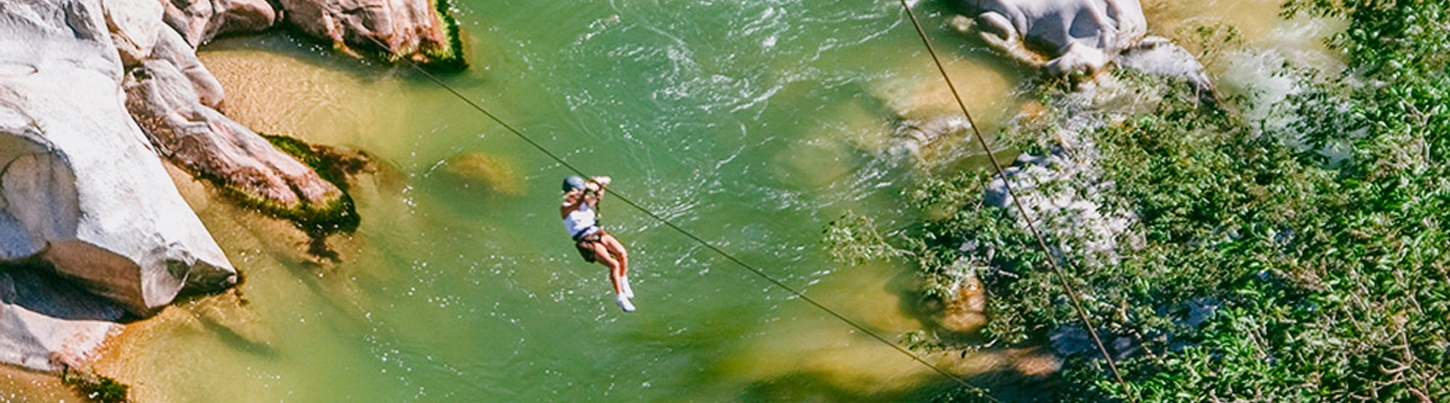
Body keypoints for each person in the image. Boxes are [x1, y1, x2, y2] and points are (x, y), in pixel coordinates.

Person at [560, 175, 635, 312]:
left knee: (622, 253)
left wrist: (600, 186)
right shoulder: (565, 207)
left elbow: (597, 197)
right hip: (585, 239)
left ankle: (623, 280)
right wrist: (587, 189)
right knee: (613, 264)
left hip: (597, 232)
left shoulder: (584, 201)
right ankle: (620, 297)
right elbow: (577, 205)